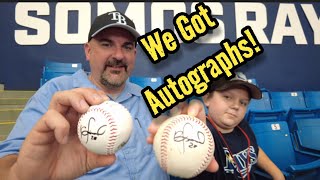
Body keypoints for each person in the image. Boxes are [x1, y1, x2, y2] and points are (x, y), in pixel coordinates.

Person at [0, 11, 218, 179]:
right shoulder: (56, 94)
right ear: (88, 50)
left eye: (127, 47)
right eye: (106, 44)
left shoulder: (153, 98)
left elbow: (183, 127)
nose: (118, 55)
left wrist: (190, 119)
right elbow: (6, 167)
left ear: (134, 53)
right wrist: (22, 175)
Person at [181, 72, 285, 180]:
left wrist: (278, 174)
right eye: (227, 97)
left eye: (243, 103)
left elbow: (253, 150)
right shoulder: (202, 136)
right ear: (207, 98)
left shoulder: (242, 125)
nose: (236, 106)